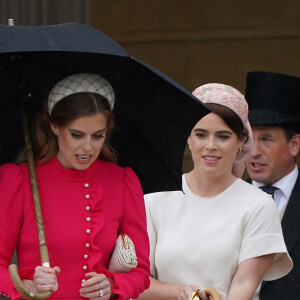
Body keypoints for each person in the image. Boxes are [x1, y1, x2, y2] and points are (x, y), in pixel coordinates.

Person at [0, 73, 150, 299]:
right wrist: (28, 285)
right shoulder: (19, 180)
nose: (88, 147)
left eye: (98, 136)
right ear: (54, 126)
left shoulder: (122, 181)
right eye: (77, 135)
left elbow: (141, 272)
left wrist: (113, 286)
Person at [138, 83, 292, 300]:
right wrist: (181, 293)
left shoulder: (258, 205)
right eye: (201, 134)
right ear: (188, 138)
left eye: (223, 136)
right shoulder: (155, 200)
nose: (211, 145)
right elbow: (137, 283)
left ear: (240, 141)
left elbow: (244, 286)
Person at [245, 71, 300, 300]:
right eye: (248, 139)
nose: (254, 151)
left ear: (294, 145)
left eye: (266, 139)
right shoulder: (225, 199)